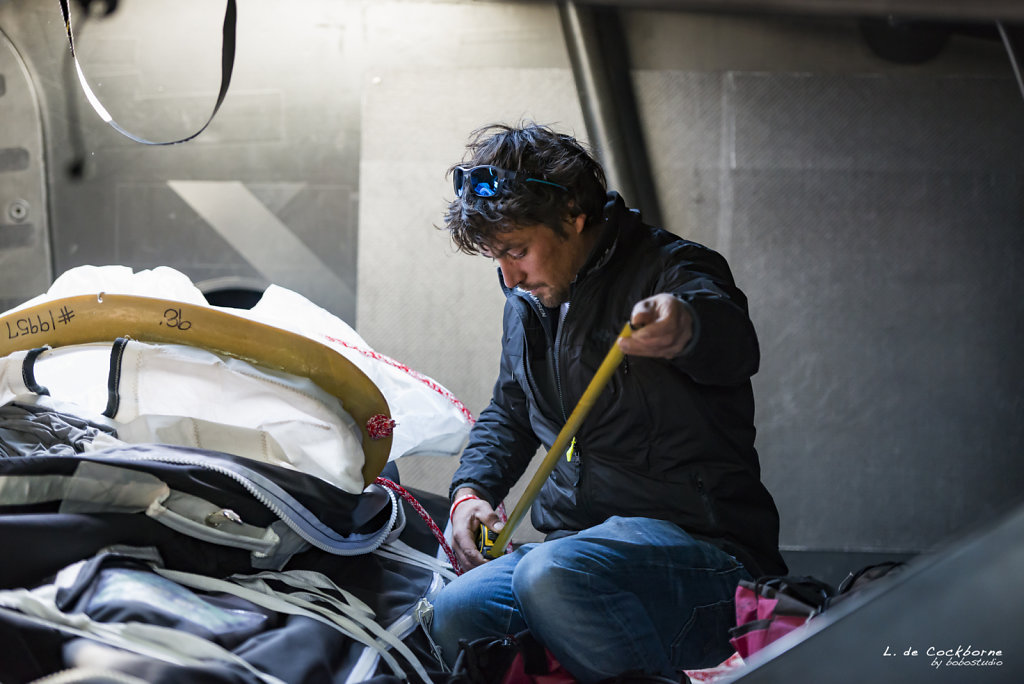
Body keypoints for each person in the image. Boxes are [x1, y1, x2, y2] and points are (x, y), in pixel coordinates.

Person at [430, 122, 786, 683]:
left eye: (518, 251)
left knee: (553, 574)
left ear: (573, 214)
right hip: (573, 551)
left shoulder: (673, 268)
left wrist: (686, 327)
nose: (509, 276)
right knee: (456, 612)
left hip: (706, 558)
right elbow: (512, 407)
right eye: (497, 258)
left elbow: (732, 340)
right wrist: (472, 491)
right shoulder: (528, 302)